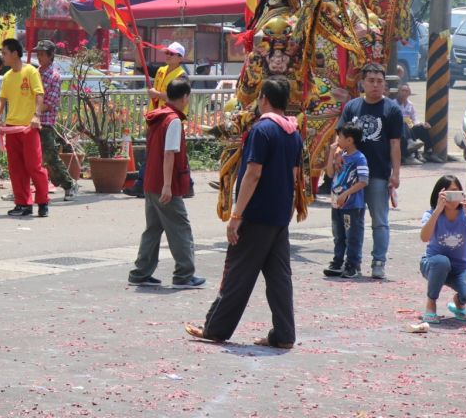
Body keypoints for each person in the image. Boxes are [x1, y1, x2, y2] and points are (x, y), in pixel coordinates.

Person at [186, 76, 302, 348]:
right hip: (279, 214)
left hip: (257, 213)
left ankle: (215, 328)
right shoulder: (293, 133)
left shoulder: (262, 130)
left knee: (238, 273)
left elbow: (252, 173)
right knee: (279, 278)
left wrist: (236, 216)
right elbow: (296, 176)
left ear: (263, 99)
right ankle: (284, 334)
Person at [128, 78, 203, 288]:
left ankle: (141, 272)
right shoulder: (174, 120)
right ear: (185, 97)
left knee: (153, 228)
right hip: (164, 183)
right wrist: (168, 186)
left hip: (151, 180)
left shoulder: (158, 116)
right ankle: (184, 275)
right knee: (180, 226)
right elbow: (169, 153)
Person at [338, 63, 403, 280]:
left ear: (384, 84)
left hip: (377, 174)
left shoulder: (392, 109)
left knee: (379, 220)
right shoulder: (352, 107)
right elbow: (341, 138)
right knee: (352, 220)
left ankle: (378, 261)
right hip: (352, 176)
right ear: (362, 83)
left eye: (380, 81)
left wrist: (395, 173)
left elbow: (395, 144)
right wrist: (337, 156)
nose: (375, 85)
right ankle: (352, 261)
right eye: (371, 81)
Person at [0, 38, 49, 218]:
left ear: (15, 53)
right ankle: (23, 203)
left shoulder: (31, 71)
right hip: (12, 127)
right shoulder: (8, 76)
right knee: (16, 168)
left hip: (29, 127)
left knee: (34, 166)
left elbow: (40, 95)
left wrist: (36, 115)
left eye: (4, 53)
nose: (3, 57)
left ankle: (43, 201)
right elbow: (2, 99)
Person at [419, 175, 466, 323]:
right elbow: (424, 238)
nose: (452, 198)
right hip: (433, 265)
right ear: (439, 195)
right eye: (447, 193)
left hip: (460, 268)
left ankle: (459, 302)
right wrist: (437, 210)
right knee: (442, 262)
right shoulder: (431, 213)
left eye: (455, 192)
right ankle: (431, 304)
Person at [127, 42, 189, 196]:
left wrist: (158, 95)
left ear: (180, 58)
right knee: (162, 151)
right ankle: (189, 184)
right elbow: (141, 64)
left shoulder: (182, 76)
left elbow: (178, 97)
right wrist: (137, 47)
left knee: (164, 151)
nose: (167, 55)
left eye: (171, 54)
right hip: (158, 116)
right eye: (166, 53)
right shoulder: (161, 70)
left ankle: (142, 183)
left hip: (172, 117)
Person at [323, 123, 369, 279]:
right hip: (337, 203)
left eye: (340, 137)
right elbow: (329, 173)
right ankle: (338, 261)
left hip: (352, 204)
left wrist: (346, 193)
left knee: (352, 235)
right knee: (338, 234)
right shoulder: (339, 155)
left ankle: (353, 264)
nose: (338, 140)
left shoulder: (359, 158)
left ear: (349, 140)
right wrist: (331, 154)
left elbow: (363, 181)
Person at [34, 40, 77, 201]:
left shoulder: (54, 77)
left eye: (42, 54)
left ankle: (69, 184)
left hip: (44, 122)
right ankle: (25, 188)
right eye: (38, 54)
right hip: (31, 120)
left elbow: (50, 103)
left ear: (51, 56)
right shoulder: (34, 73)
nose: (39, 57)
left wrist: (33, 112)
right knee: (31, 157)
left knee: (50, 157)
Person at [394, 83, 430, 163]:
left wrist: (421, 124)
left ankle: (429, 151)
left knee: (423, 128)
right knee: (404, 122)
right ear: (399, 92)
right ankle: (414, 150)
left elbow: (414, 118)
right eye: (402, 91)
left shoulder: (410, 105)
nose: (404, 93)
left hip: (410, 126)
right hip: (400, 128)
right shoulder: (394, 103)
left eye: (406, 91)